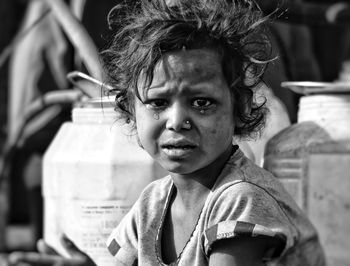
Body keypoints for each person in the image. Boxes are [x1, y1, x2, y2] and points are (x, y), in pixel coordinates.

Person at [9, 0, 326, 265]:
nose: (177, 121)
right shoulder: (152, 203)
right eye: (158, 102)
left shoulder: (241, 199)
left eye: (202, 103)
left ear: (240, 110)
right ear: (131, 112)